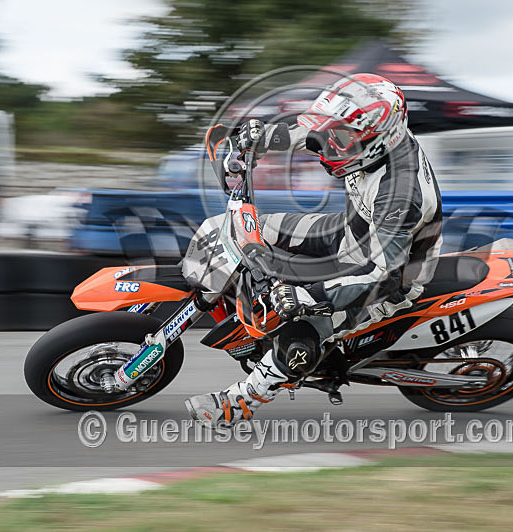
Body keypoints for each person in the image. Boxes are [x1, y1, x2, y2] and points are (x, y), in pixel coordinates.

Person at [185, 73, 443, 427]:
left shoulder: (400, 193)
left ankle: (239, 404)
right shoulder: (366, 137)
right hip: (349, 233)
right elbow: (313, 130)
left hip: (386, 278)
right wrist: (258, 138)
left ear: (375, 141)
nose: (328, 144)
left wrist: (308, 296)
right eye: (332, 133)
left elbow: (381, 277)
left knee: (299, 338)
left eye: (339, 139)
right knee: (243, 228)